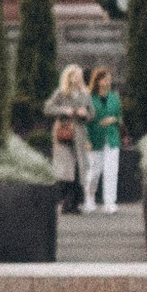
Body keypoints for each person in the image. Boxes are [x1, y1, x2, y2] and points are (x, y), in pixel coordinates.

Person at [44, 61, 89, 215]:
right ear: (68, 77)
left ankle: (74, 203)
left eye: (79, 76)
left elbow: (92, 113)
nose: (77, 79)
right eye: (74, 76)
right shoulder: (61, 92)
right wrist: (64, 110)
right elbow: (48, 108)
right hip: (64, 135)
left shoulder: (85, 93)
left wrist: (86, 114)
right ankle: (66, 203)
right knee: (66, 171)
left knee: (78, 170)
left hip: (79, 136)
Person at [84, 65, 124, 211]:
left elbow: (120, 117)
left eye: (109, 79)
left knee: (111, 171)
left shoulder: (114, 97)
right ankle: (89, 198)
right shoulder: (89, 98)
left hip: (112, 138)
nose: (108, 82)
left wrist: (113, 119)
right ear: (98, 81)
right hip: (95, 138)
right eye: (105, 79)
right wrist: (87, 140)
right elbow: (85, 121)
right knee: (94, 170)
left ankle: (110, 202)